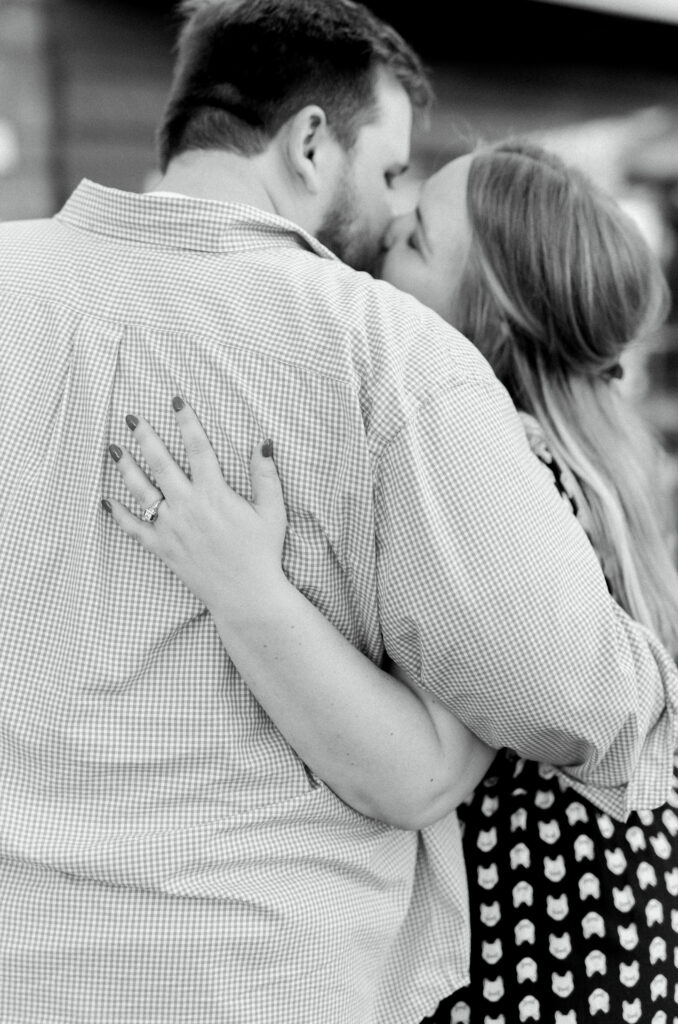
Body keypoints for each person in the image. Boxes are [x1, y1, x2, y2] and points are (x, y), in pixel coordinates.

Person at [1, 0, 677, 1016]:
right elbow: (573, 696)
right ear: (312, 144)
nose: (387, 217)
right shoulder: (390, 354)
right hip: (266, 979)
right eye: (394, 172)